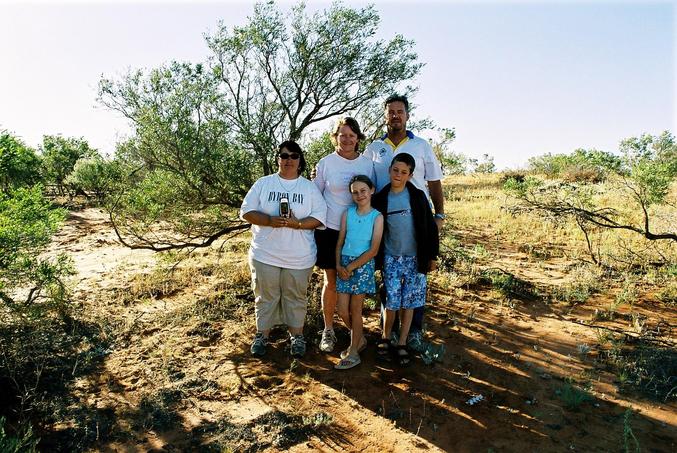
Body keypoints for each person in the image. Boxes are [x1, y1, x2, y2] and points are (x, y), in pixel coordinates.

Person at [363, 94, 446, 351]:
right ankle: (386, 333)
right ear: (385, 115)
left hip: (417, 220)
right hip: (384, 219)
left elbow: (434, 181)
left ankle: (413, 332)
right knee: (388, 279)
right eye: (391, 112)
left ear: (408, 115)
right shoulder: (375, 149)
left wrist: (439, 215)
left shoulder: (421, 145)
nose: (395, 116)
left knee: (415, 277)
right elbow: (361, 180)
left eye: (400, 111)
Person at [240, 141, 327, 358]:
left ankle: (296, 336)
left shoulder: (309, 188)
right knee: (265, 296)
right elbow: (247, 212)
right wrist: (269, 220)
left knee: (295, 297)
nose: (288, 160)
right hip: (265, 254)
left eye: (294, 156)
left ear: (300, 161)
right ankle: (262, 335)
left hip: (299, 257)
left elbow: (319, 218)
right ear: (278, 158)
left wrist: (297, 223)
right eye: (284, 155)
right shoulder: (264, 183)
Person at [314, 117, 375, 353]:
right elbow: (315, 195)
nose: (347, 139)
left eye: (351, 135)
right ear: (335, 137)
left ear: (358, 138)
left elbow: (372, 194)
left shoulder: (367, 164)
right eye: (342, 135)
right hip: (330, 229)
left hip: (358, 233)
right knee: (331, 282)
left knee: (353, 286)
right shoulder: (326, 163)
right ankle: (328, 330)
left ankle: (355, 334)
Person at [372, 153, 439, 366]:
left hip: (415, 259)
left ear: (410, 175)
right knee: (391, 301)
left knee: (409, 302)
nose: (398, 175)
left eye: (403, 172)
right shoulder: (381, 198)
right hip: (391, 258)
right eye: (395, 170)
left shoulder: (418, 197)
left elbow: (430, 229)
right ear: (389, 170)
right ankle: (385, 338)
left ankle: (402, 342)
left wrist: (431, 256)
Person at [334, 175, 383, 370]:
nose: (359, 195)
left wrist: (350, 267)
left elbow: (374, 250)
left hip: (362, 265)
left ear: (371, 191)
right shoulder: (348, 213)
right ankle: (360, 339)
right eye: (355, 192)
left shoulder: (377, 217)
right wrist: (338, 265)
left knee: (356, 309)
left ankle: (354, 351)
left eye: (363, 190)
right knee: (342, 310)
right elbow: (340, 241)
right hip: (344, 264)